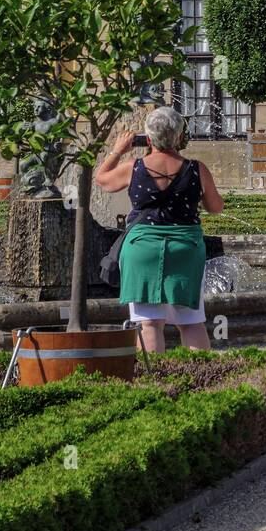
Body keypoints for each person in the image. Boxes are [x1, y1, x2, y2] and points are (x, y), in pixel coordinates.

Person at [95, 105, 225, 353]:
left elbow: (102, 179)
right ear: (178, 136)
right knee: (191, 322)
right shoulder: (196, 169)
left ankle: (154, 381)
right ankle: (199, 381)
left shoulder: (134, 167)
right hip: (185, 249)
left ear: (148, 136)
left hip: (142, 249)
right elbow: (216, 207)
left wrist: (117, 151)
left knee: (150, 324)